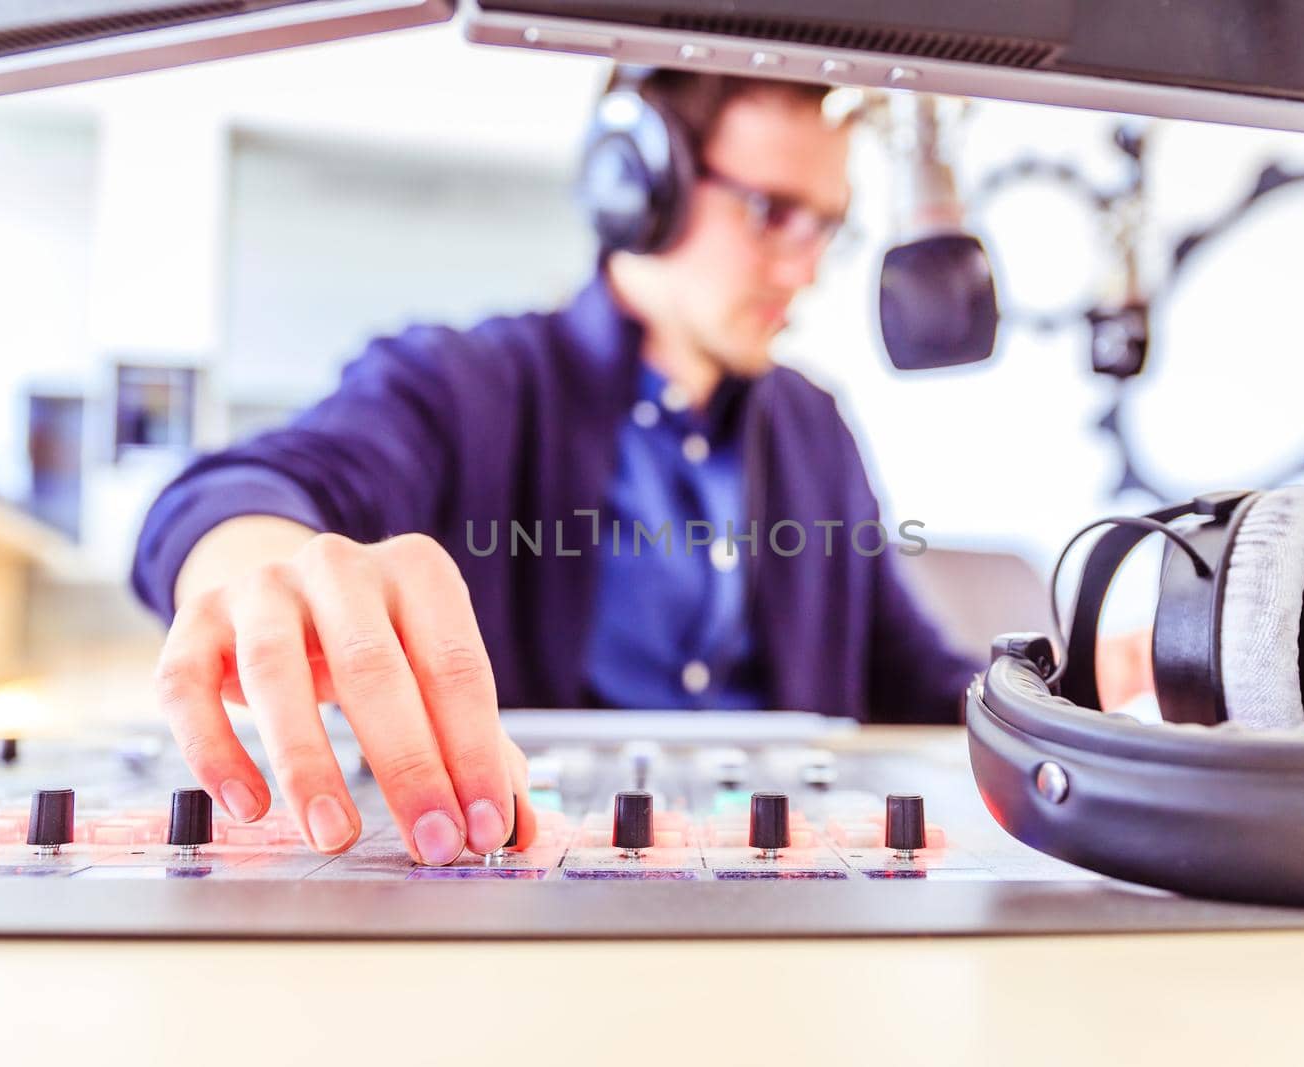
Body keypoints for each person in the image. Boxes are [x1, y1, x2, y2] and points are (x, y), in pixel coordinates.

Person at [131, 69, 1149, 867]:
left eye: (825, 225)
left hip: (786, 898)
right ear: (635, 185)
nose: (803, 267)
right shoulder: (461, 381)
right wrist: (260, 568)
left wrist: (1079, 683)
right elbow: (237, 493)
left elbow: (909, 672)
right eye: (769, 211)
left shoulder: (813, 425)